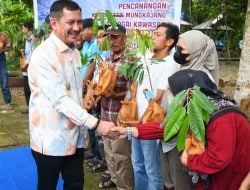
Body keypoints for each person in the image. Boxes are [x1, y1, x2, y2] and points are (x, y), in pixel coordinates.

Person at [28, 1, 117, 189]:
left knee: (76, 184)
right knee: (47, 186)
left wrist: (86, 97)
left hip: (75, 136)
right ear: (54, 23)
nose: (77, 28)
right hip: (50, 139)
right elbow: (60, 101)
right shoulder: (42, 56)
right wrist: (96, 124)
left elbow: (73, 91)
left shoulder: (74, 51)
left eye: (79, 22)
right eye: (70, 22)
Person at [112, 69, 250, 190]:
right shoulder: (196, 109)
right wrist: (129, 131)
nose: (173, 98)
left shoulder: (222, 116)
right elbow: (168, 127)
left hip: (230, 178)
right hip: (214, 178)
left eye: (175, 93)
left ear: (188, 91)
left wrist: (189, 160)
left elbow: (219, 158)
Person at [123, 22, 180, 190]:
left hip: (150, 121)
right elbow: (136, 85)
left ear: (169, 42)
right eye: (152, 33)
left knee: (151, 168)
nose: (152, 37)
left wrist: (140, 120)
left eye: (157, 34)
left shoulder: (170, 64)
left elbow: (157, 97)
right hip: (137, 120)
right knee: (137, 163)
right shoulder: (145, 58)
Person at [98, 24, 133, 189]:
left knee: (121, 156)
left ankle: (124, 186)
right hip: (106, 114)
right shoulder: (107, 59)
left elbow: (134, 91)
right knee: (109, 153)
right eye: (109, 37)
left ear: (124, 37)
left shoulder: (131, 60)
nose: (112, 41)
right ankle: (114, 179)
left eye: (115, 37)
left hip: (120, 117)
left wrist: (116, 95)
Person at [20, 21, 34, 114]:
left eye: (23, 28)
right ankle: (28, 106)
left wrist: (27, 63)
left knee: (30, 87)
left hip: (31, 66)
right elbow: (29, 52)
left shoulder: (33, 38)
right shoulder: (27, 38)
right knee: (26, 87)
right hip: (27, 67)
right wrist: (23, 52)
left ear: (28, 29)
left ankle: (32, 108)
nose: (22, 30)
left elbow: (33, 52)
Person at [0, 32, 12, 110]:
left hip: (1, 60)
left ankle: (8, 103)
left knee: (4, 82)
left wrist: (3, 50)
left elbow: (10, 48)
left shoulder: (3, 36)